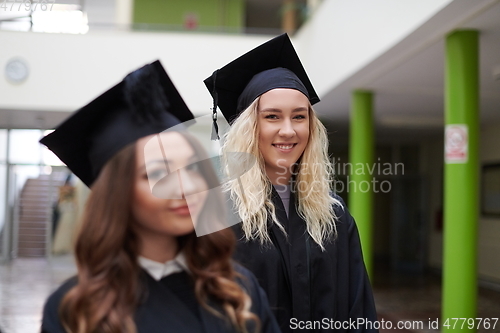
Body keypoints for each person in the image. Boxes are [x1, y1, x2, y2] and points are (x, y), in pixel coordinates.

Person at [40, 60, 280, 333]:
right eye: (157, 174)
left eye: (192, 167)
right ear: (117, 194)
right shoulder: (76, 311)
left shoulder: (238, 290)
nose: (185, 187)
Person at [204, 34, 378, 332]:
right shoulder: (217, 212)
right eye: (272, 116)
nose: (288, 130)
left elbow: (359, 309)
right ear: (249, 128)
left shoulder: (333, 214)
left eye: (299, 117)